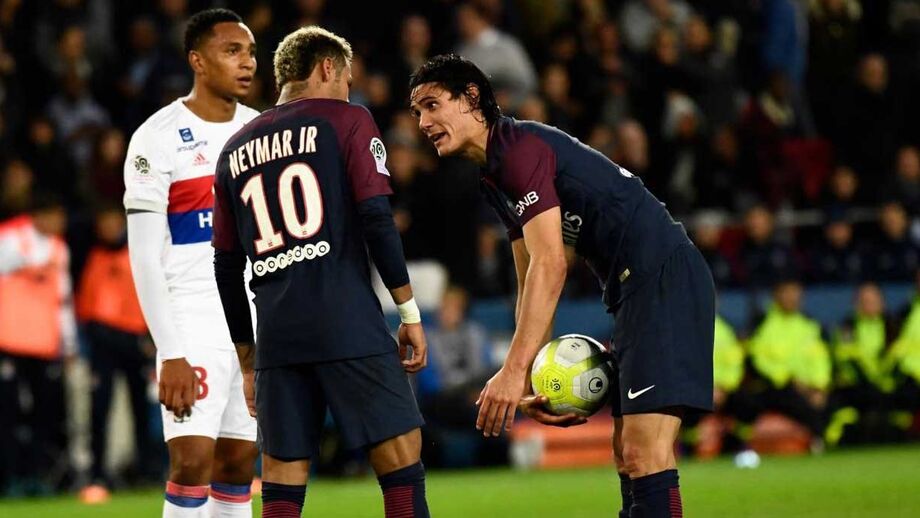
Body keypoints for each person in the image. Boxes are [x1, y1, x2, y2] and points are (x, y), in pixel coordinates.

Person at [409, 54, 715, 518]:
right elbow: (529, 273)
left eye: (432, 105)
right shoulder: (495, 173)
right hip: (635, 290)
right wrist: (533, 375)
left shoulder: (518, 151)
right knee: (629, 455)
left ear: (471, 96)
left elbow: (553, 264)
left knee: (644, 453)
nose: (423, 123)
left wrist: (512, 371)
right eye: (417, 113)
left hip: (662, 280)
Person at [212, 26, 430, 518]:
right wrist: (408, 312)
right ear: (327, 67)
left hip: (277, 337)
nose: (349, 91)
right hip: (345, 319)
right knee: (401, 462)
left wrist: (247, 360)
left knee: (282, 485)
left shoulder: (233, 150)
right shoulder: (348, 120)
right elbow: (377, 218)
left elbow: (225, 265)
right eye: (347, 80)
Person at [122, 9, 259, 517]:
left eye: (250, 52)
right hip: (192, 319)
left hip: (253, 319)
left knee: (238, 463)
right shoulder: (156, 137)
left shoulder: (260, 131)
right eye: (232, 51)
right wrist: (170, 351)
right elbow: (143, 256)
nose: (247, 63)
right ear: (197, 61)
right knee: (192, 462)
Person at [77, 205, 152, 502]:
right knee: (99, 410)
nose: (108, 228)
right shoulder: (92, 255)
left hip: (134, 342)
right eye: (103, 222)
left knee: (141, 410)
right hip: (103, 345)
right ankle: (97, 473)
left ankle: (146, 470)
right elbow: (86, 305)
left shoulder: (137, 253)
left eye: (112, 221)